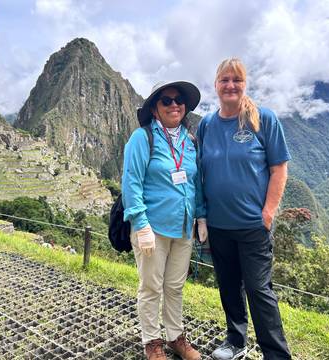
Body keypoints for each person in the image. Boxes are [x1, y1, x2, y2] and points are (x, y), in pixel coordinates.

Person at [197, 58, 292, 360]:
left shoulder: (262, 119)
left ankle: (275, 355)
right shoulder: (207, 125)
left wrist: (267, 214)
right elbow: (200, 171)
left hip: (253, 226)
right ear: (216, 85)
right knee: (228, 287)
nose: (230, 86)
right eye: (224, 80)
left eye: (236, 80)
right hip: (218, 225)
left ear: (245, 84)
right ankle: (235, 342)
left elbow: (279, 169)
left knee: (258, 291)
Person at [122, 80, 207, 360]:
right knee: (151, 286)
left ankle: (175, 336)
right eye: (167, 101)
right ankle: (152, 341)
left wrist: (201, 216)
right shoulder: (142, 138)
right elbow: (131, 182)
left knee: (174, 286)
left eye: (179, 99)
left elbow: (195, 183)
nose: (175, 104)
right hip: (153, 228)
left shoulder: (190, 141)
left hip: (183, 228)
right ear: (155, 109)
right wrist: (140, 222)